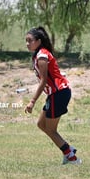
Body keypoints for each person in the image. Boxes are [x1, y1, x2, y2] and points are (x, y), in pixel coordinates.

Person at [24, 27, 81, 165]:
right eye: (26, 41)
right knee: (41, 124)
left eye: (30, 41)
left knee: (50, 129)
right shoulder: (39, 54)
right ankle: (68, 150)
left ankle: (72, 157)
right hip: (54, 94)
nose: (27, 44)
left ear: (38, 41)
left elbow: (43, 81)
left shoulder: (42, 56)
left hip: (59, 93)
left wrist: (32, 101)